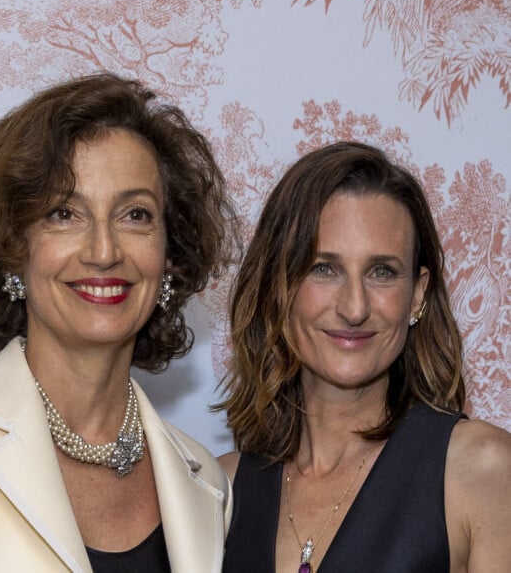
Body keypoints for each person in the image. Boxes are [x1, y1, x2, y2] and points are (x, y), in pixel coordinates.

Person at [0, 72, 238, 572]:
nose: (103, 251)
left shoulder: (206, 482)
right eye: (64, 214)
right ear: (15, 249)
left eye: (135, 214)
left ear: (170, 254)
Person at [217, 142, 511, 572]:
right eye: (323, 268)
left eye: (382, 272)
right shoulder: (217, 493)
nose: (354, 308)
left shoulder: (482, 470)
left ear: (418, 294)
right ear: (277, 289)